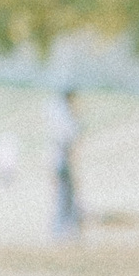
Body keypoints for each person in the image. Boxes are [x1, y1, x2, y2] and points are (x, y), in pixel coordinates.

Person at [47, 86, 82, 238]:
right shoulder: (65, 117)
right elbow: (68, 142)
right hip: (62, 161)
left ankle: (63, 229)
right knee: (65, 196)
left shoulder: (59, 115)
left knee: (65, 195)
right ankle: (62, 230)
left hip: (59, 160)